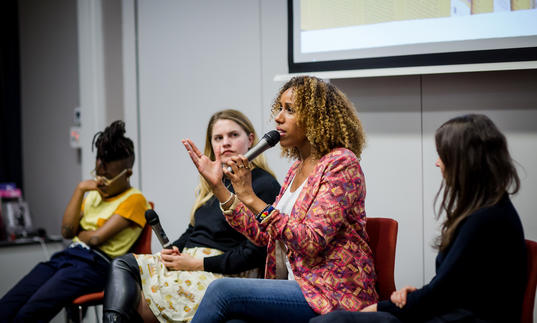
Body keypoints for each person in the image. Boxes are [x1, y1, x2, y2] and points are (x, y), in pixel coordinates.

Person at [184, 76, 377, 323]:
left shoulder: (341, 163)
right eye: (280, 108)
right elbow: (265, 236)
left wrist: (251, 198)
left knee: (222, 291)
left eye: (290, 110)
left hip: (329, 293)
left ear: (316, 118)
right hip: (294, 287)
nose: (278, 118)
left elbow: (311, 241)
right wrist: (220, 187)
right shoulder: (295, 170)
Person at [311, 114, 527, 323]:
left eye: (443, 155)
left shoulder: (486, 219)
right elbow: (454, 286)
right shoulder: (490, 211)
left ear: (464, 162)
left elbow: (441, 296)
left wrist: (380, 307)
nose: (437, 163)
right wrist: (413, 296)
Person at [102, 109, 280, 323]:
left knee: (133, 304)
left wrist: (196, 263)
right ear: (212, 145)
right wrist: (174, 249)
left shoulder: (264, 184)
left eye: (233, 135)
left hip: (219, 270)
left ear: (250, 139)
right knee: (122, 265)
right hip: (188, 260)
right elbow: (195, 229)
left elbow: (254, 253)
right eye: (218, 138)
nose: (225, 143)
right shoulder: (213, 183)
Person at [0, 120, 150, 322]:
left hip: (97, 265)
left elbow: (96, 240)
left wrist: (80, 232)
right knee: (8, 305)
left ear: (127, 174)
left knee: (30, 312)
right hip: (67, 257)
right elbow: (66, 230)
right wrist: (80, 189)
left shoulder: (135, 199)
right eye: (98, 174)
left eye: (107, 177)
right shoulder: (92, 195)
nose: (100, 181)